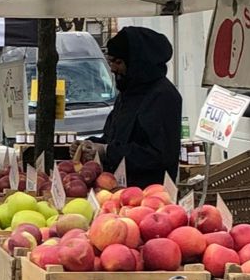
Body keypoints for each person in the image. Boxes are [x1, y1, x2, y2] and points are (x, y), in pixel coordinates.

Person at [75, 27, 183, 187]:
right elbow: (113, 138)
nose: (112, 68)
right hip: (118, 188)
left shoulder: (163, 96)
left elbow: (158, 155)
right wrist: (89, 145)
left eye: (118, 62)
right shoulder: (128, 92)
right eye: (110, 61)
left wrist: (107, 151)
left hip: (149, 191)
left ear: (137, 63)